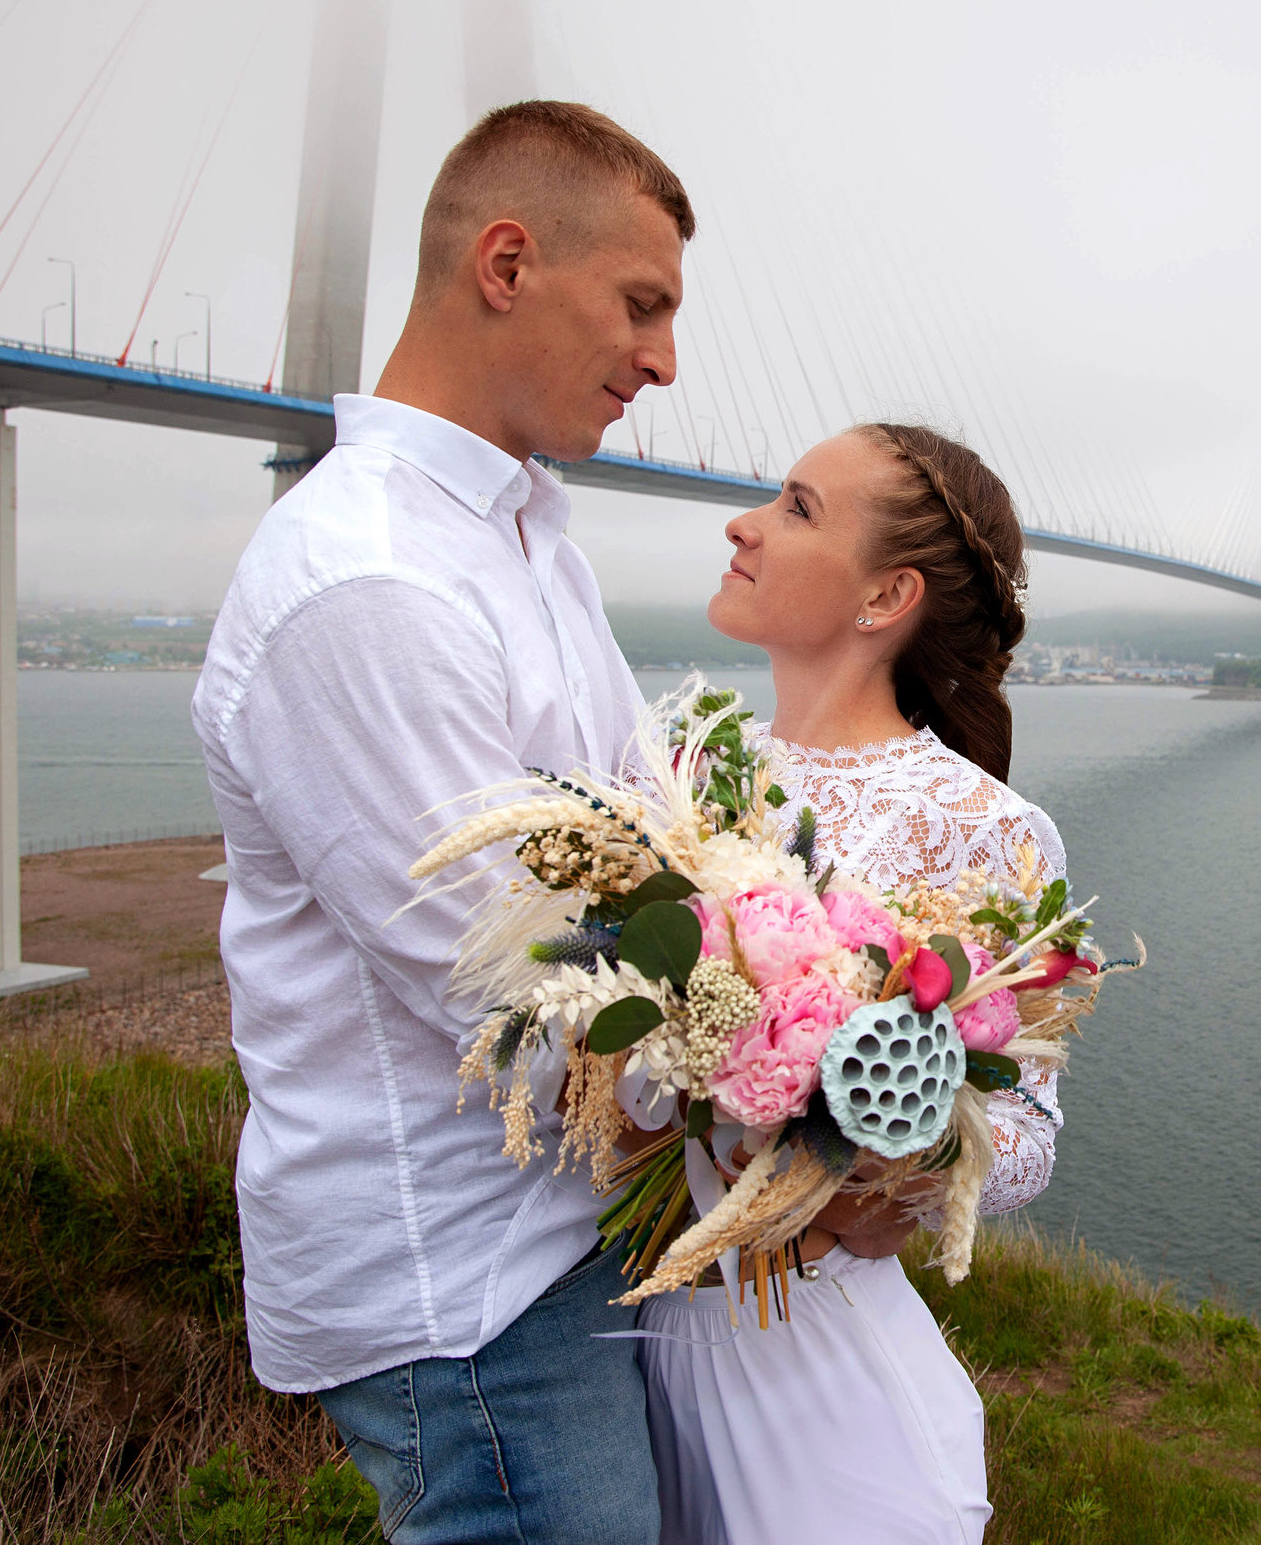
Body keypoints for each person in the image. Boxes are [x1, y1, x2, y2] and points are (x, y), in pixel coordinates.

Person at [192, 101, 692, 1545]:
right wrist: (800, 1091)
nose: (664, 360)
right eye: (642, 304)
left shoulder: (525, 533)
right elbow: (510, 978)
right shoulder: (370, 579)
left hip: (557, 1233)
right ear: (508, 262)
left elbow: (649, 845)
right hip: (466, 1286)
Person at [637, 422, 1066, 1545]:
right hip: (635, 1350)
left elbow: (1023, 1134)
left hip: (816, 1374)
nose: (744, 524)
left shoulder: (983, 828)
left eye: (794, 507)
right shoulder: (675, 769)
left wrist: (894, 1162)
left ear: (886, 598)